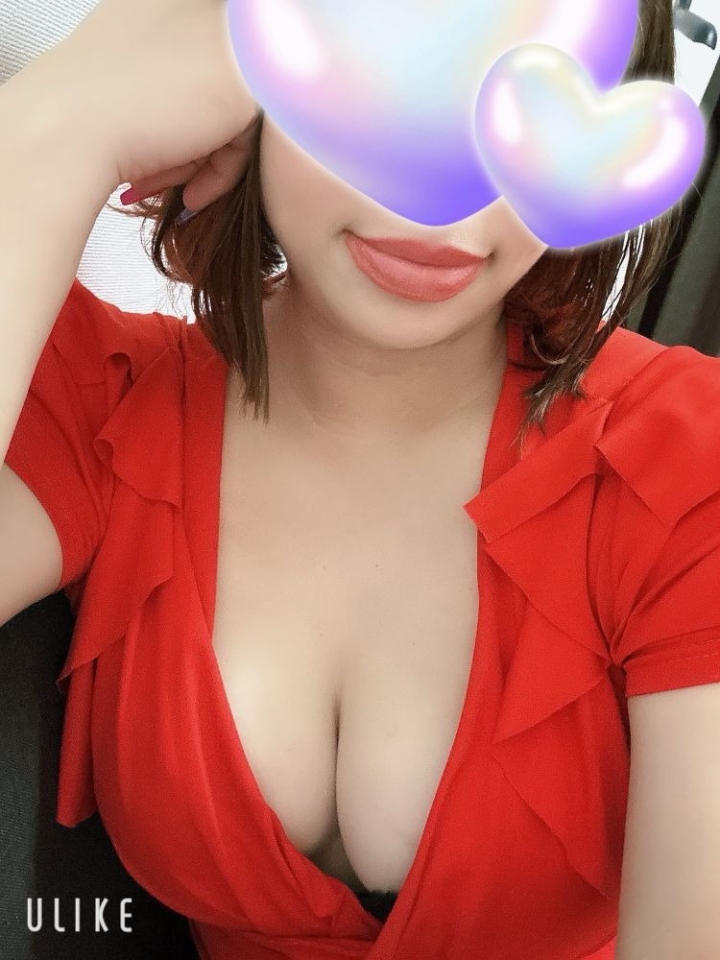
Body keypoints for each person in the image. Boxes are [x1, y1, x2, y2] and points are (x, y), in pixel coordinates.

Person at [1, 1, 719, 959]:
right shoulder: (103, 398)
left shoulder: (683, 456)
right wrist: (58, 122)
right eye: (385, 70)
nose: (440, 200)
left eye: (527, 102)